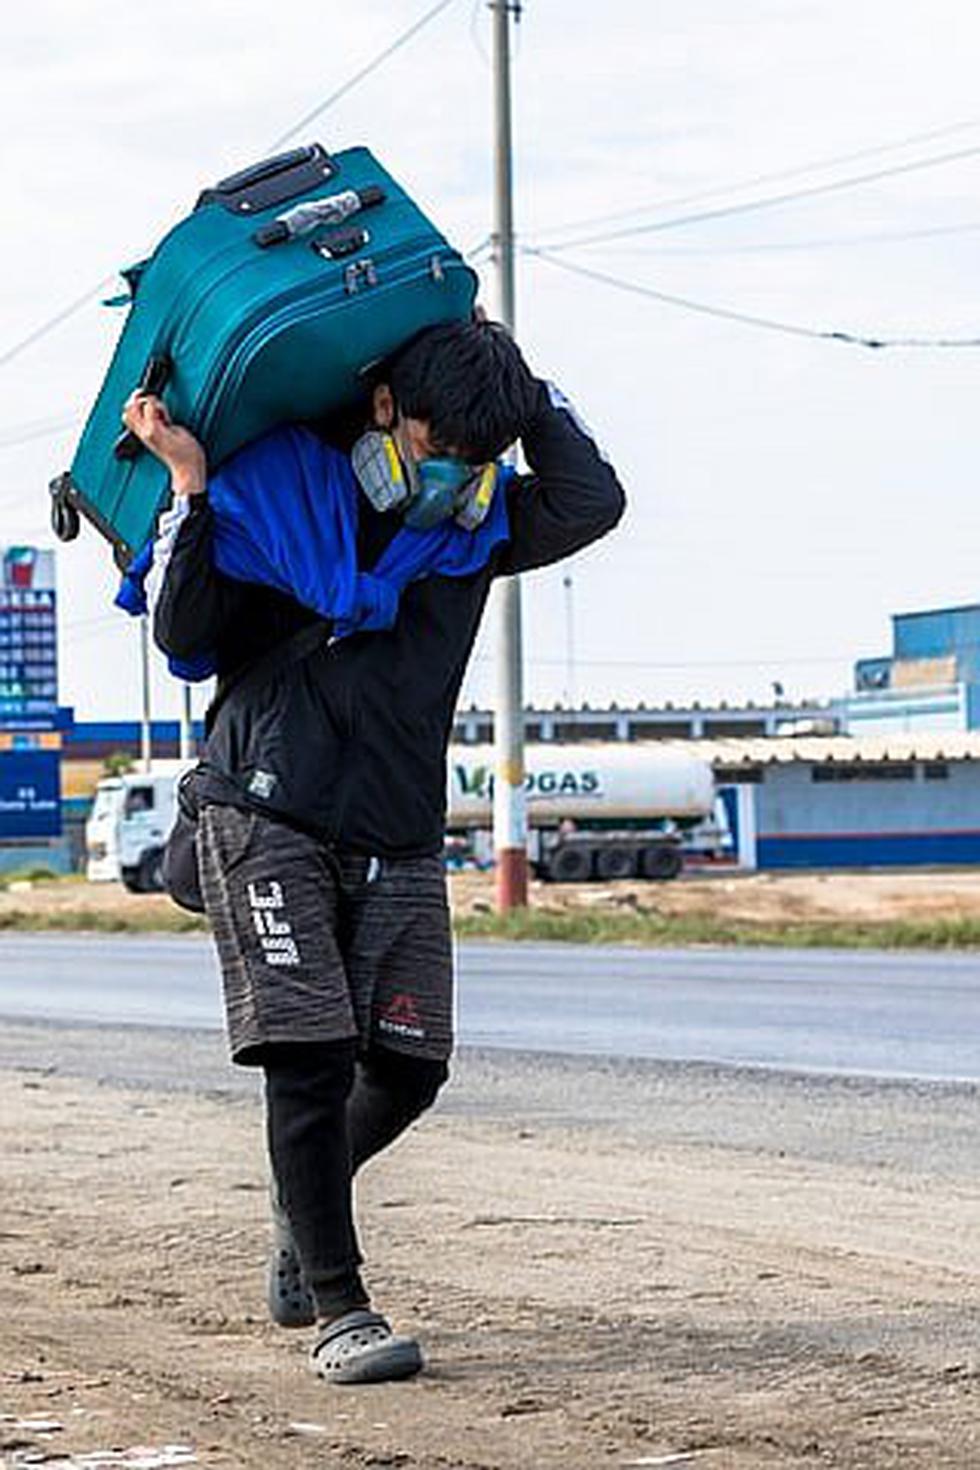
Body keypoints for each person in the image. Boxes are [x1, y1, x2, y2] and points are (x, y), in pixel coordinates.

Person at [121, 317, 625, 1385]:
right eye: (440, 443)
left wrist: (520, 393)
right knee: (306, 1061)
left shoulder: (476, 529)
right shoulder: (279, 494)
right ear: (386, 409)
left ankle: (304, 1207)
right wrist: (191, 490)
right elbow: (180, 633)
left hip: (395, 827)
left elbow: (592, 501)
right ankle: (341, 1311)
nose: (455, 472)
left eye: (477, 458)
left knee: (405, 1069)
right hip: (265, 808)